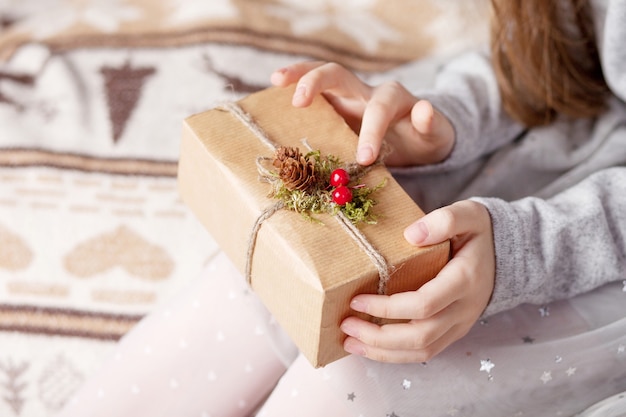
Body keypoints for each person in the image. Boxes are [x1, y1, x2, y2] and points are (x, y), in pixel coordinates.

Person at [57, 0, 626, 416]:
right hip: (571, 145)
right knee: (271, 285)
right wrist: (446, 124)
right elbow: (558, 45)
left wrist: (525, 251)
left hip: (603, 249)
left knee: (362, 373)